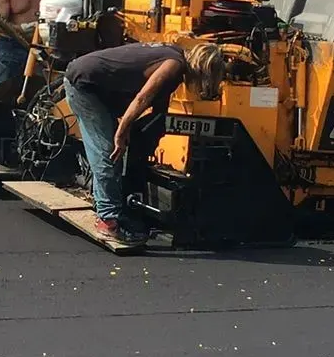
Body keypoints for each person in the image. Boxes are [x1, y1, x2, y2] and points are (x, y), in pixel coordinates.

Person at [62, 40, 226, 246]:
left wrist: (150, 136)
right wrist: (122, 132)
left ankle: (106, 205)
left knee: (110, 151)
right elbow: (142, 99)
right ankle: (108, 221)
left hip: (96, 86)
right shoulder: (173, 66)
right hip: (83, 86)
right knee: (108, 152)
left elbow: (159, 109)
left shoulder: (174, 56)